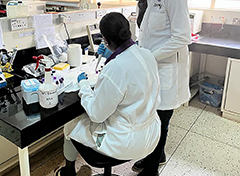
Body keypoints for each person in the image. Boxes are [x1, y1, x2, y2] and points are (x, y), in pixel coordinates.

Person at [54, 12, 161, 176]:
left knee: (71, 122)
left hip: (123, 143)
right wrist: (111, 56)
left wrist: (83, 85)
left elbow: (97, 115)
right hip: (151, 134)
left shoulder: (115, 69)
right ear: (129, 31)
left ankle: (68, 172)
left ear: (105, 40)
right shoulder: (147, 54)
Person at [118, 0, 191, 176]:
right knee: (151, 116)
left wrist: (148, 57)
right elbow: (148, 36)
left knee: (161, 120)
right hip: (152, 69)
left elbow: (182, 37)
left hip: (168, 70)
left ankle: (151, 171)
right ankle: (156, 155)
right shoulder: (144, 1)